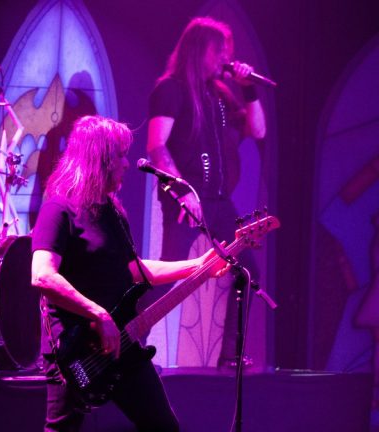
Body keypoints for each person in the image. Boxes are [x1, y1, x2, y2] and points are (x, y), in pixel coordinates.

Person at [31, 115, 226, 431]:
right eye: (120, 156)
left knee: (163, 427)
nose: (126, 164)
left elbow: (135, 271)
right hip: (75, 349)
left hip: (121, 343)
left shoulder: (112, 212)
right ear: (100, 159)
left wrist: (200, 265)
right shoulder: (59, 209)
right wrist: (98, 314)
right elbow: (42, 275)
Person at [145, 16, 267, 367]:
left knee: (246, 271)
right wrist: (182, 191)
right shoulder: (170, 89)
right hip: (185, 201)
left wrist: (249, 89)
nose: (226, 58)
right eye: (220, 51)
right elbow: (156, 146)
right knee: (168, 276)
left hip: (218, 202)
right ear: (200, 50)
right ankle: (129, 342)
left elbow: (258, 131)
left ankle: (231, 356)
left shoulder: (220, 94)